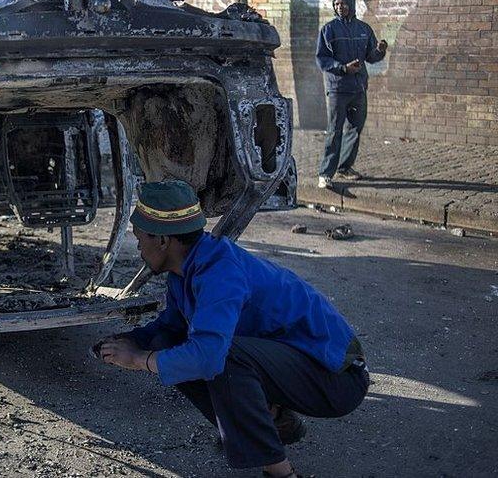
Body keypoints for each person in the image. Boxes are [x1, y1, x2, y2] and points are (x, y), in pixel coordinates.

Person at [96, 180, 368, 478]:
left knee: (222, 357)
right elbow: (171, 326)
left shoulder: (219, 272)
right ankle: (275, 421)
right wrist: (130, 341)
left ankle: (281, 473)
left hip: (338, 379)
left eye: (139, 239)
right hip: (298, 366)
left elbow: (210, 357)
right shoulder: (185, 268)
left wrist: (138, 360)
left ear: (163, 240)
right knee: (167, 342)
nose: (138, 248)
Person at [315, 0, 388, 188]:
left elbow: (371, 58)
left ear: (351, 5)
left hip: (358, 88)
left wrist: (380, 51)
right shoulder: (328, 30)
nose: (340, 7)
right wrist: (342, 68)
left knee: (355, 128)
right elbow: (322, 59)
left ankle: (345, 167)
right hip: (337, 89)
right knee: (334, 130)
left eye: (344, 3)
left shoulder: (364, 29)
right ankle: (325, 173)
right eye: (337, 4)